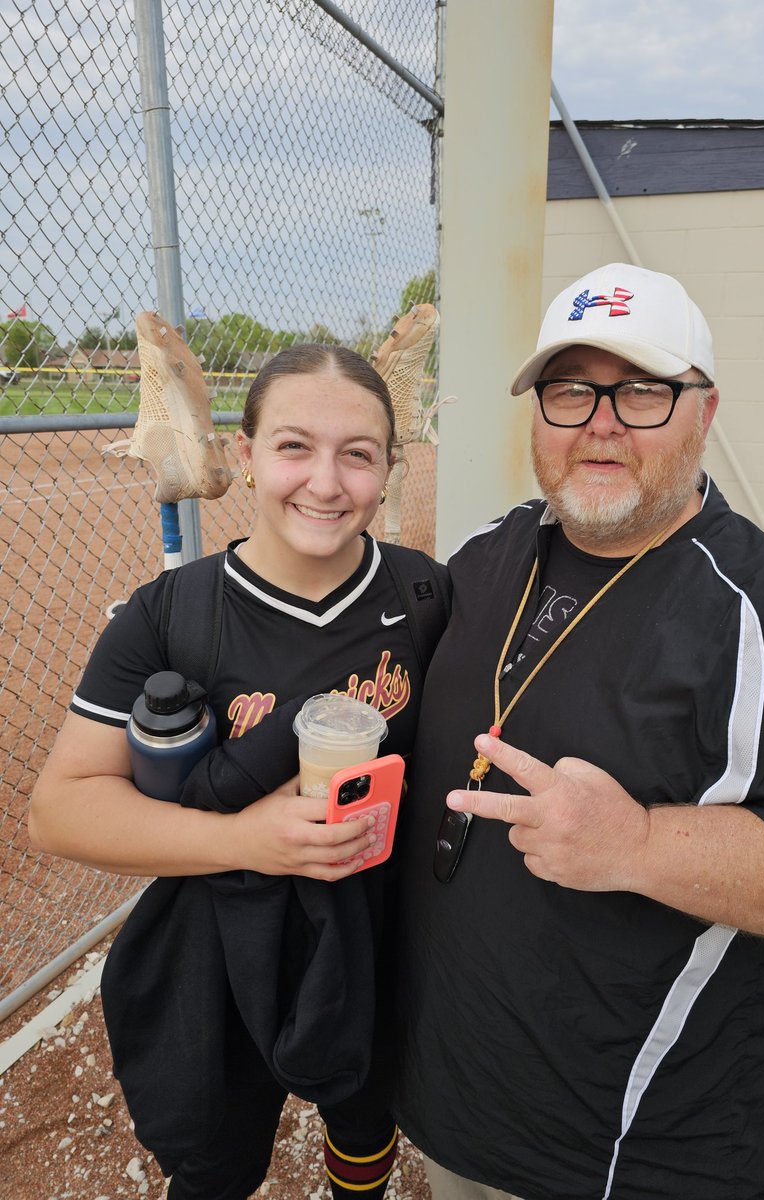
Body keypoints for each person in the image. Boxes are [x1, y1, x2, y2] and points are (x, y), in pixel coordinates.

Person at [391, 263, 764, 1200]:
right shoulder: (486, 557)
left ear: (703, 413)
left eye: (642, 392)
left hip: (634, 1156)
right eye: (571, 390)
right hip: (453, 1109)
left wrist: (639, 843)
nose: (600, 420)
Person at [29, 343, 448, 1200]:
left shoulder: (427, 597)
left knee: (367, 1119)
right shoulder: (171, 615)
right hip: (223, 939)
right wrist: (243, 838)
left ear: (389, 469)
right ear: (245, 456)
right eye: (294, 446)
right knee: (216, 1151)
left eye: (357, 454)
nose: (326, 483)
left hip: (374, 928)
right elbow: (61, 811)